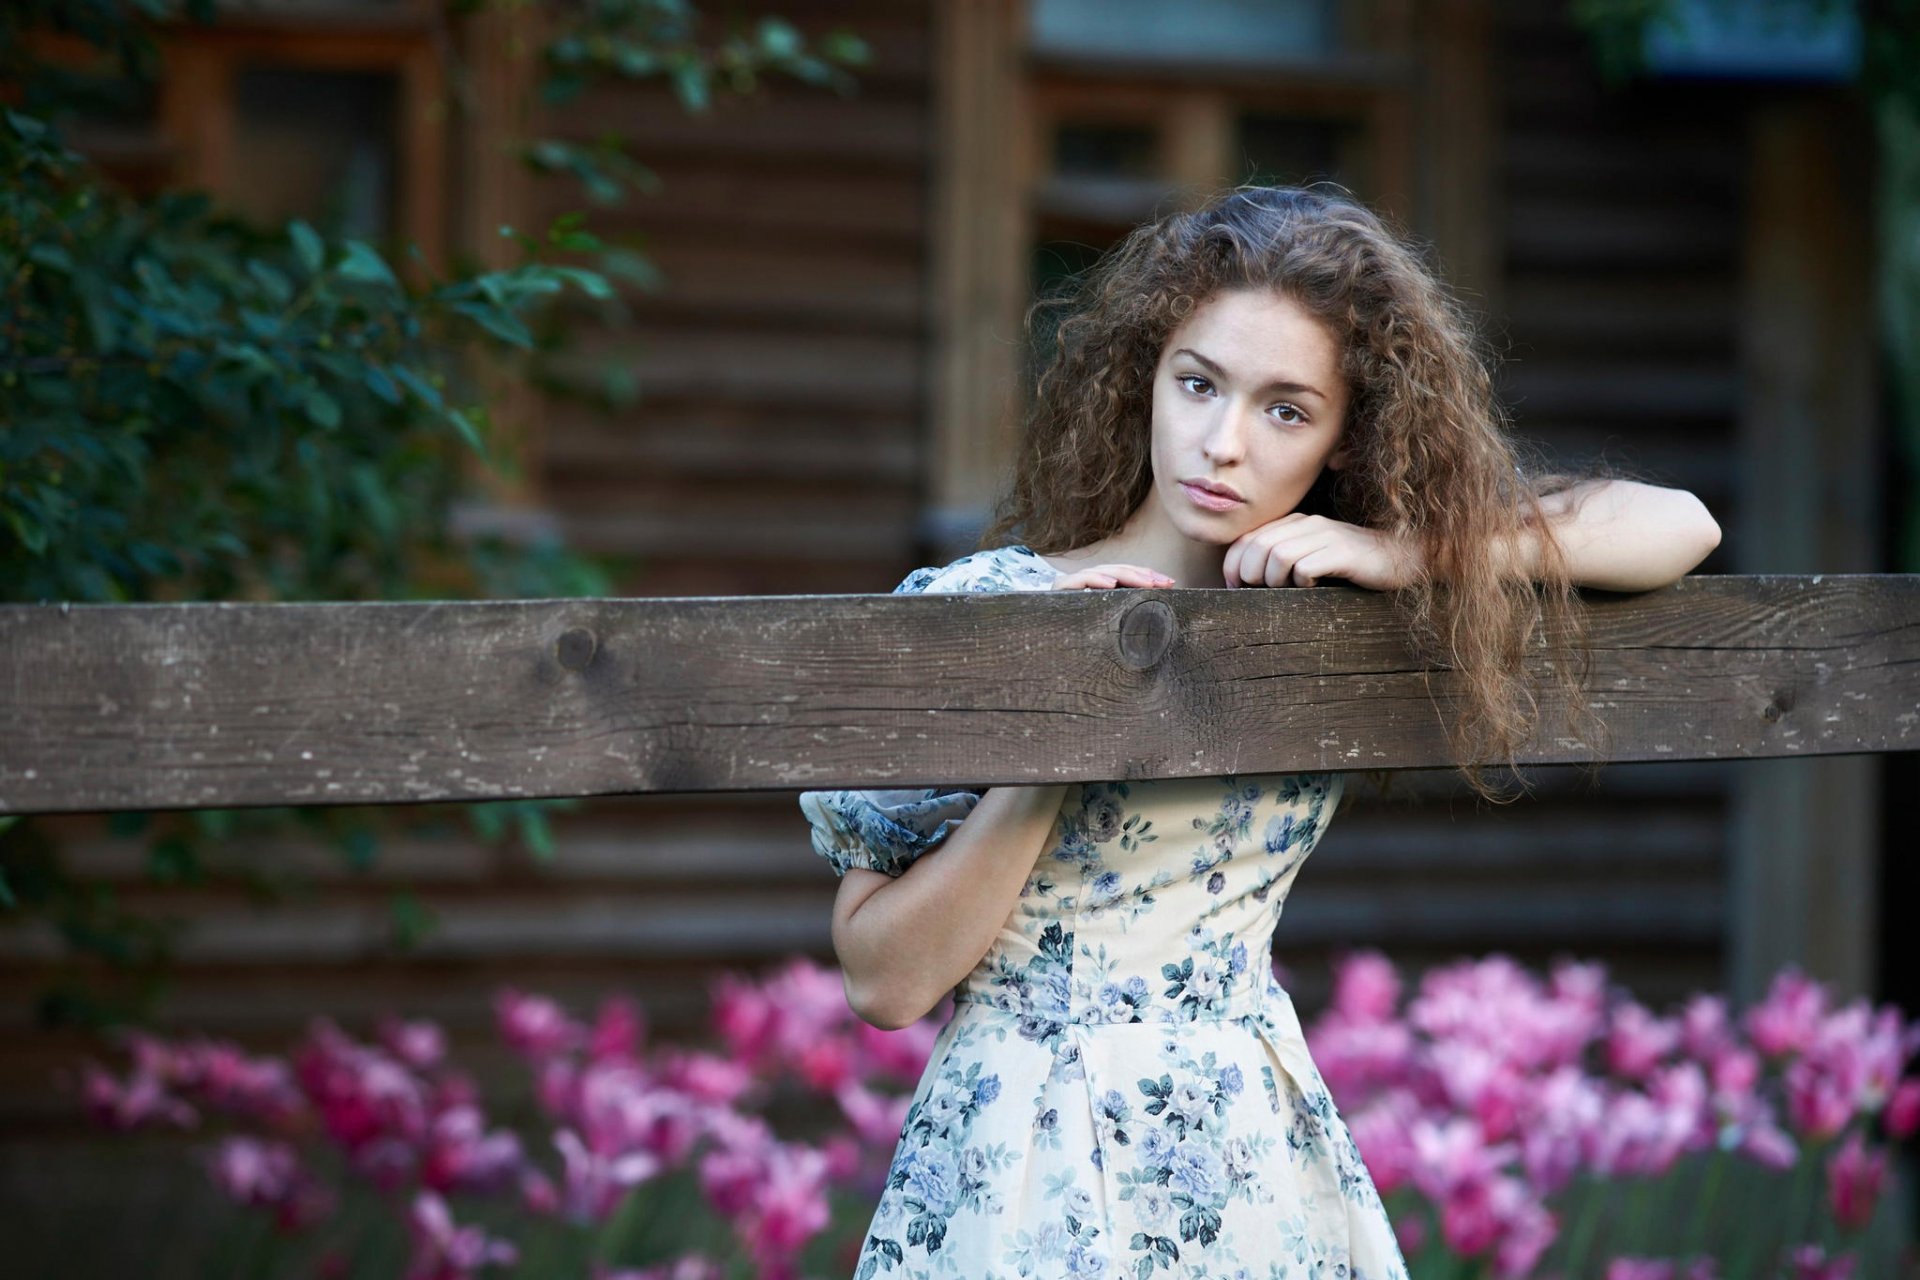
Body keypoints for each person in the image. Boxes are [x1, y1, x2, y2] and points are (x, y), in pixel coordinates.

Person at [797, 184, 1721, 1280]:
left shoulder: (1327, 602)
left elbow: (1681, 523)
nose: (1223, 442)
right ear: (1147, 375)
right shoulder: (986, 608)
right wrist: (1066, 743)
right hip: (1022, 1145)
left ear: (1346, 434)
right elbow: (884, 984)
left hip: (1243, 1142)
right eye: (1198, 384)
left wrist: (1413, 553)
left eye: (1286, 409)